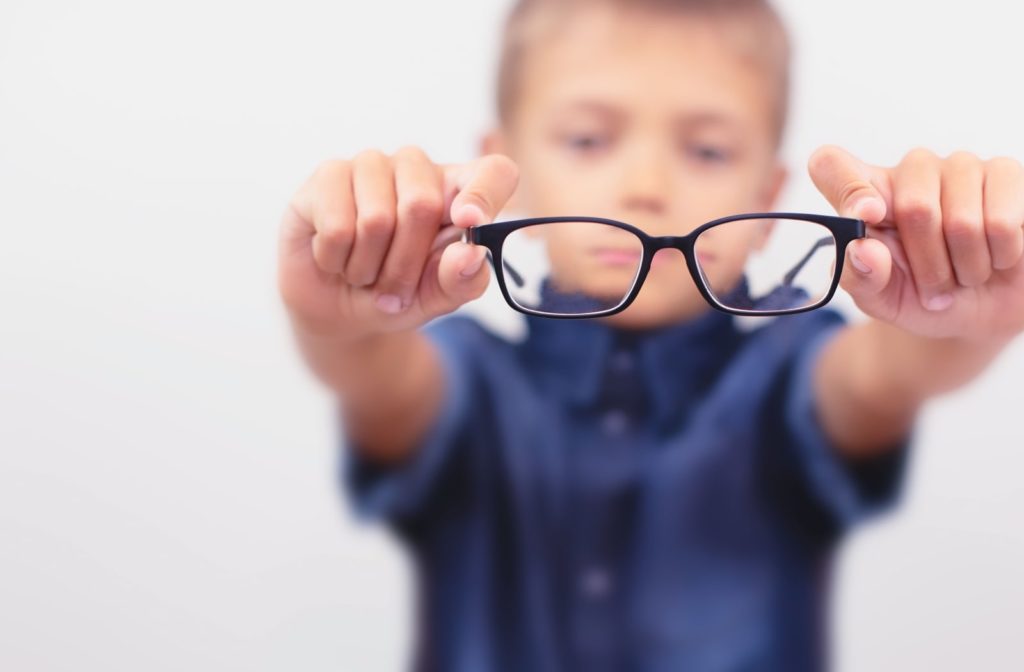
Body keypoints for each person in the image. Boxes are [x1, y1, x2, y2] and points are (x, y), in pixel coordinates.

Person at [276, 0, 1024, 669]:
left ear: (768, 201)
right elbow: (377, 374)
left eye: (706, 150)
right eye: (588, 140)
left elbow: (882, 375)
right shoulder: (464, 378)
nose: (646, 186)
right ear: (508, 173)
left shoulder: (790, 370)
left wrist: (958, 312)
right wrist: (337, 316)